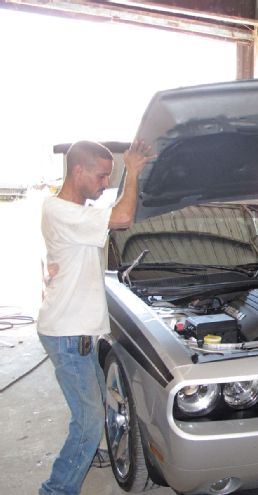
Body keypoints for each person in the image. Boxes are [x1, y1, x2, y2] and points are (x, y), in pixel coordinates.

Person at [37, 140, 153, 495]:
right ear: (79, 171)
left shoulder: (74, 212)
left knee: (95, 406)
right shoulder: (63, 211)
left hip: (77, 332)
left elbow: (112, 212)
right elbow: (123, 217)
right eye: (102, 176)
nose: (105, 184)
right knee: (88, 422)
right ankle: (56, 490)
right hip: (68, 336)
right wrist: (132, 171)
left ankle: (86, 451)